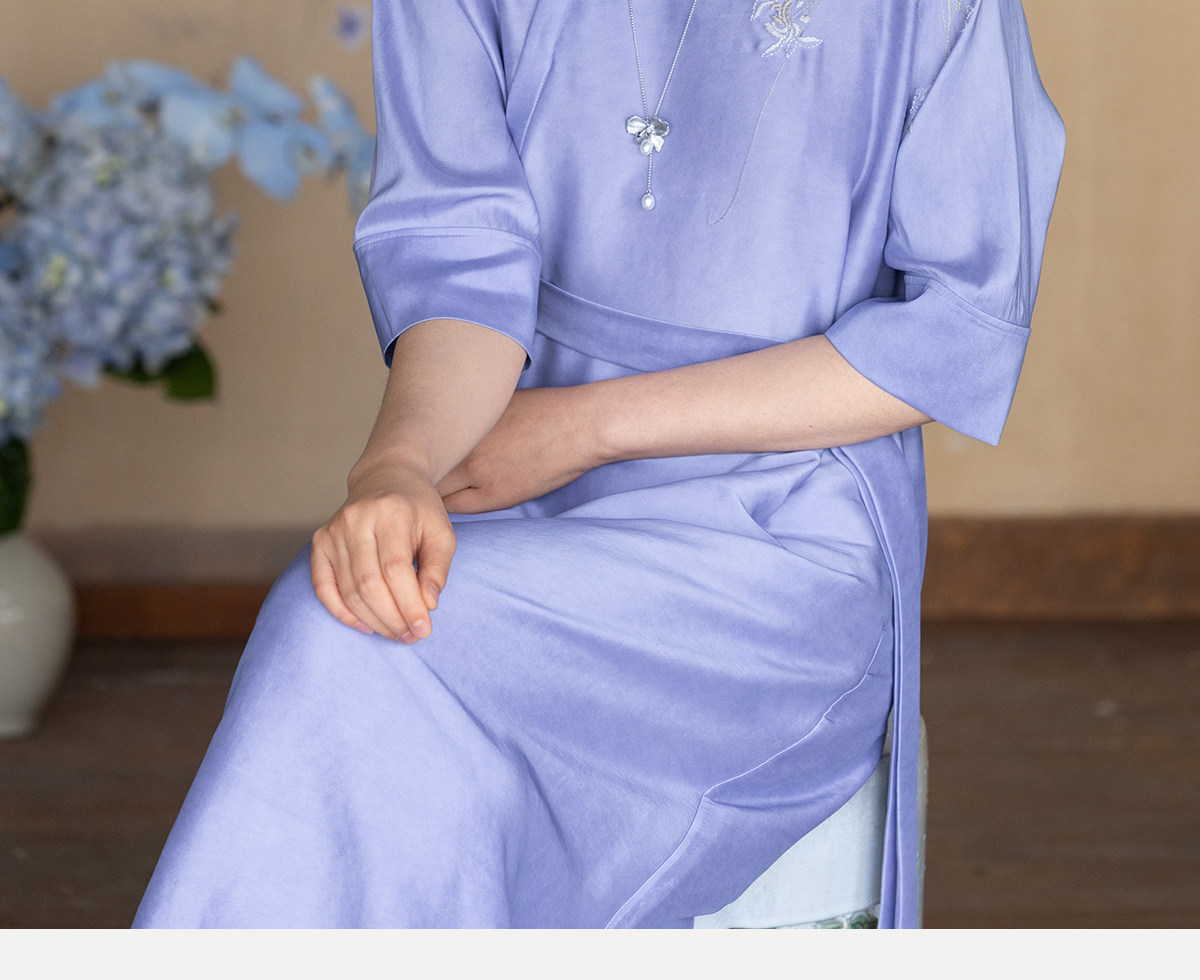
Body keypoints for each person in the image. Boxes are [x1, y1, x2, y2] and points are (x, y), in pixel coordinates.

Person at [133, 0, 1064, 928]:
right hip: (510, 474)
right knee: (349, 615)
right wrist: (400, 464)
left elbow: (956, 333)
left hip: (781, 522)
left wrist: (584, 429)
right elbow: (461, 249)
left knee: (367, 645)